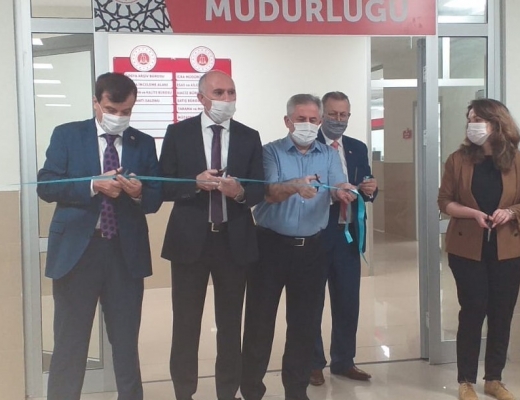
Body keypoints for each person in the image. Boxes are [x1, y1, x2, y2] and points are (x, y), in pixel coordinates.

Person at [37, 72, 163, 400]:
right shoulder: (67, 135)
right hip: (77, 253)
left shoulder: (142, 142)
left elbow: (155, 197)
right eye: (111, 109)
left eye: (126, 111)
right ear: (96, 102)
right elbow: (46, 185)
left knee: (125, 343)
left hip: (124, 253)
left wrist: (138, 192)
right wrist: (93, 185)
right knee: (70, 342)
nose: (118, 117)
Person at [241, 94, 356, 400]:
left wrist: (343, 191)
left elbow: (335, 186)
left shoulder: (328, 154)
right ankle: (251, 390)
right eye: (301, 119)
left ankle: (296, 390)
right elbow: (268, 193)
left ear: (320, 122)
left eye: (313, 120)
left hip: (312, 250)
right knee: (259, 322)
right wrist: (295, 186)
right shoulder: (270, 152)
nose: (308, 125)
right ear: (288, 121)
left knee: (304, 324)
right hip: (270, 247)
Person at [159, 70, 265, 400]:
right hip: (189, 240)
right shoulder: (178, 133)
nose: (226, 99)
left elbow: (259, 189)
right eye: (219, 93)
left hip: (234, 241)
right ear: (201, 98)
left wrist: (239, 192)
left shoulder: (249, 136)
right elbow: (163, 184)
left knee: (230, 324)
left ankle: (227, 391)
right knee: (186, 323)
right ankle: (184, 392)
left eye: (231, 92)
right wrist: (194, 183)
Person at [437, 98, 520, 400]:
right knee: (473, 310)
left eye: (477, 119)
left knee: (501, 313)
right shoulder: (458, 159)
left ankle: (494, 379)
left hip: (509, 249)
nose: (472, 125)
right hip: (467, 248)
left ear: (496, 123)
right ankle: (466, 381)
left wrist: (511, 212)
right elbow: (444, 202)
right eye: (469, 120)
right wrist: (472, 213)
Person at [310, 91, 378, 386]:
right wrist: (332, 194)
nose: (339, 120)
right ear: (322, 115)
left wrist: (371, 189)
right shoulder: (309, 146)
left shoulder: (357, 148)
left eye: (344, 115)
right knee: (312, 302)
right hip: (315, 235)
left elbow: (365, 186)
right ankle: (313, 363)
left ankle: (344, 361)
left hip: (348, 236)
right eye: (333, 114)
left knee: (348, 301)